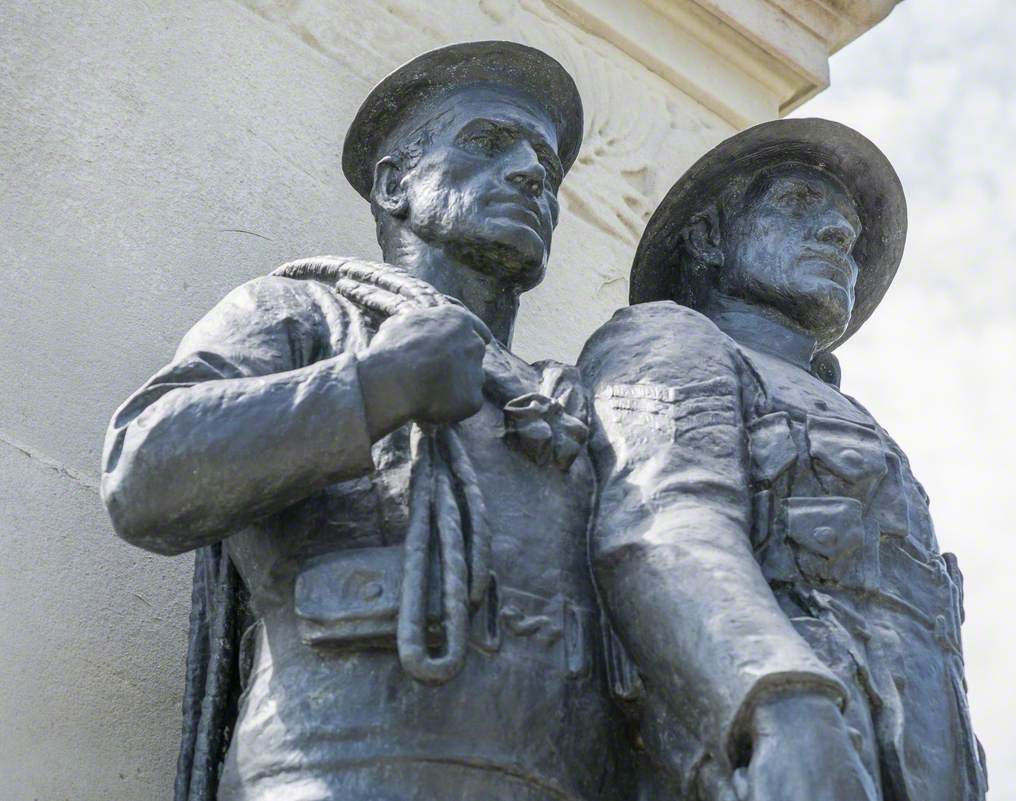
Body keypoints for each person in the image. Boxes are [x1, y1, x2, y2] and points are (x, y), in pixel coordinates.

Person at [101, 41, 631, 801]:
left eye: (545, 163)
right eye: (487, 142)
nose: (530, 172)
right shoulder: (300, 312)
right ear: (395, 185)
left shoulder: (568, 409)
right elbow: (142, 471)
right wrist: (375, 387)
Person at [580, 118, 988, 801]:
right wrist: (777, 703)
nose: (838, 236)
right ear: (709, 237)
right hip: (774, 749)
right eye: (799, 204)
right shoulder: (669, 340)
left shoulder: (856, 416)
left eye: (851, 236)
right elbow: (662, 527)